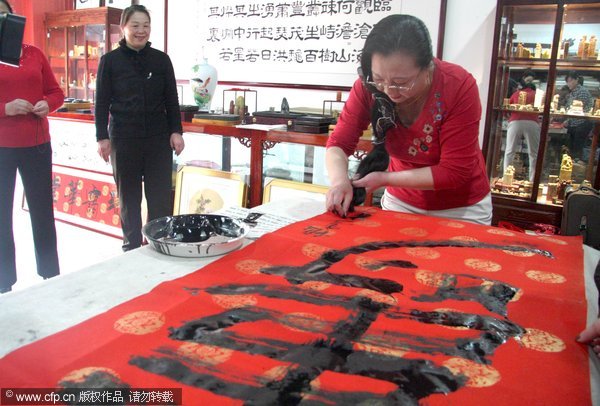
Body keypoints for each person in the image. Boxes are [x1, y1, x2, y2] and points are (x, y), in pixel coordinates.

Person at [325, 14, 491, 225]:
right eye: (378, 79)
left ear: (428, 68)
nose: (388, 90)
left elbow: (454, 171)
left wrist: (384, 178)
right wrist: (339, 182)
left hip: (461, 208)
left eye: (401, 82)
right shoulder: (368, 87)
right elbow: (339, 142)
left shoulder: (457, 86)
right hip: (401, 203)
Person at [95, 5, 184, 251]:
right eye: (135, 25)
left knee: (159, 198)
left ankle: (159, 245)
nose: (141, 31)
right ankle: (131, 248)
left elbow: (171, 99)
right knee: (129, 200)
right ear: (123, 28)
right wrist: (102, 137)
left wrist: (176, 131)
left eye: (145, 26)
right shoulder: (110, 61)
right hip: (124, 139)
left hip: (158, 139)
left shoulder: (161, 59)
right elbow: (101, 102)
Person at [0, 0, 63, 293]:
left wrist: (46, 104)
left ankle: (51, 274)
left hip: (37, 143)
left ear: (12, 17)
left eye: (3, 13)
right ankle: (4, 282)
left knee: (42, 211)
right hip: (2, 146)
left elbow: (56, 92)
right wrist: (5, 108)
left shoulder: (34, 54)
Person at [503, 78, 541, 182]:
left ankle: (506, 178)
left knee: (509, 151)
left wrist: (508, 118)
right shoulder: (536, 95)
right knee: (533, 154)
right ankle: (532, 181)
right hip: (532, 123)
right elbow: (543, 109)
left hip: (516, 122)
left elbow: (506, 109)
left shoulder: (516, 94)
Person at [563, 70, 593, 161]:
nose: (569, 83)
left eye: (571, 80)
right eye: (567, 81)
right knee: (570, 150)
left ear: (576, 80)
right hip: (574, 125)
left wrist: (568, 121)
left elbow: (578, 111)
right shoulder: (573, 92)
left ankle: (575, 169)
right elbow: (569, 108)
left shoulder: (582, 92)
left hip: (581, 124)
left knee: (577, 151)